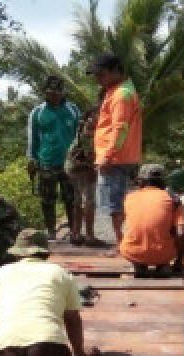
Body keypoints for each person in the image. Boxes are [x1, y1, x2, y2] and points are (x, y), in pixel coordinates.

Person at [88, 52, 142, 244]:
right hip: (117, 157)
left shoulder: (121, 94)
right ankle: (122, 242)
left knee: (115, 204)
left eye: (101, 74)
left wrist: (107, 156)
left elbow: (120, 128)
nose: (97, 79)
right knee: (114, 203)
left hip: (116, 159)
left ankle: (122, 243)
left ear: (115, 71)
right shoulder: (118, 90)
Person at [27, 75, 82, 239]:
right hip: (46, 162)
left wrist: (82, 157)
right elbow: (32, 138)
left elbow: (80, 134)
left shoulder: (73, 110)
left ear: (63, 92)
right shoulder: (37, 112)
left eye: (58, 92)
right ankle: (51, 231)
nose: (54, 96)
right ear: (45, 92)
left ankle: (74, 230)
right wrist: (31, 159)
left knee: (71, 198)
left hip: (70, 162)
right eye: (51, 92)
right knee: (47, 198)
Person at [119, 164, 184, 277]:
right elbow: (181, 233)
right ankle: (162, 265)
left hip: (132, 251)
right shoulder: (173, 200)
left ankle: (139, 264)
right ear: (163, 182)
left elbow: (126, 226)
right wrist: (179, 262)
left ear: (141, 182)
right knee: (177, 226)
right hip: (163, 254)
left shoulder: (129, 197)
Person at [65, 107, 100, 246]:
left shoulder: (83, 131)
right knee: (88, 202)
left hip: (75, 168)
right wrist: (92, 170)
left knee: (78, 201)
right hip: (81, 168)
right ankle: (89, 236)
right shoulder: (89, 133)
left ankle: (76, 234)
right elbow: (86, 155)